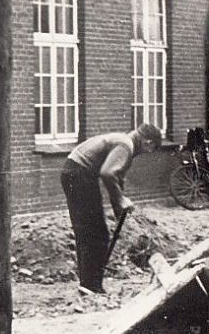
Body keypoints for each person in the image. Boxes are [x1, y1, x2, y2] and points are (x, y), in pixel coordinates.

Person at [60, 123, 162, 294]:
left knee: (86, 232)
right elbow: (108, 173)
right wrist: (121, 199)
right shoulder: (126, 146)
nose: (146, 153)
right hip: (80, 176)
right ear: (148, 143)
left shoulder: (122, 140)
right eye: (151, 149)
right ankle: (91, 286)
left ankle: (87, 283)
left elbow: (117, 179)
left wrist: (119, 211)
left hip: (72, 172)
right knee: (96, 234)